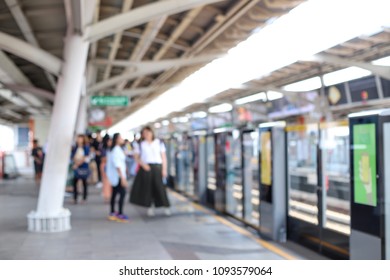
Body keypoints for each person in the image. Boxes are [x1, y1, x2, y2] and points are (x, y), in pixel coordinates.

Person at [130, 126, 171, 216]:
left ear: (152, 133)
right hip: (146, 167)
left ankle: (166, 206)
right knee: (148, 189)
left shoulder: (159, 143)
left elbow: (163, 157)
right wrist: (143, 165)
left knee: (160, 188)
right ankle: (149, 207)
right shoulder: (140, 144)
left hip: (157, 167)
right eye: (144, 133)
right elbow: (136, 157)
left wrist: (164, 169)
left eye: (148, 133)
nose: (146, 135)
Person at [106, 133, 129, 222]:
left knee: (115, 193)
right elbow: (117, 165)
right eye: (120, 137)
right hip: (118, 176)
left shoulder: (116, 149)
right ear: (116, 139)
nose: (122, 139)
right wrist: (123, 178)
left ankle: (112, 212)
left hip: (117, 176)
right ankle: (120, 213)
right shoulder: (116, 150)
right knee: (122, 193)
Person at [71, 134, 90, 204]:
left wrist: (77, 164)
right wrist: (75, 163)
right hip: (77, 167)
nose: (79, 140)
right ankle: (75, 198)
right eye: (78, 138)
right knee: (75, 182)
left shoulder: (86, 147)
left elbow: (85, 157)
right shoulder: (75, 147)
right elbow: (73, 156)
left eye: (80, 138)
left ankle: (84, 198)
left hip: (83, 166)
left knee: (84, 182)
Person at [100, 135, 112, 203]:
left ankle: (109, 195)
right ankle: (106, 196)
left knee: (110, 182)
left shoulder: (111, 149)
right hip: (105, 166)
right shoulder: (104, 149)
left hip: (109, 166)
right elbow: (102, 159)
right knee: (106, 182)